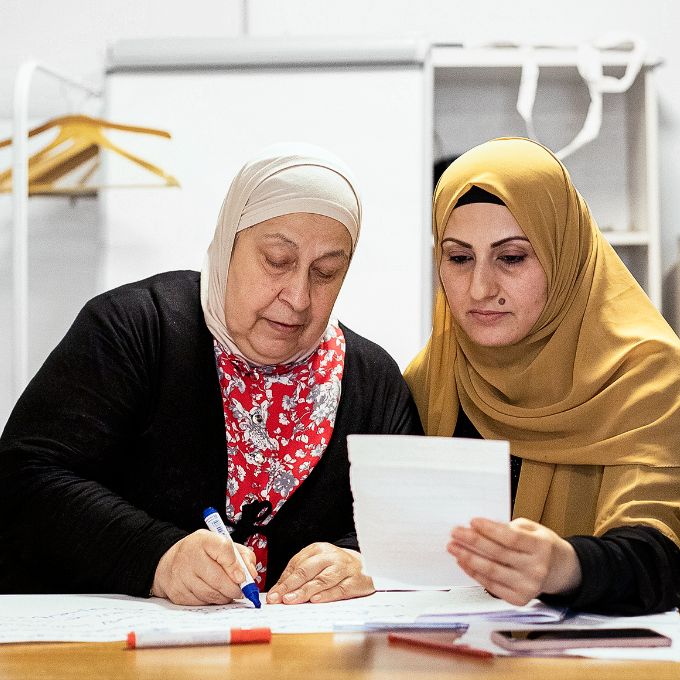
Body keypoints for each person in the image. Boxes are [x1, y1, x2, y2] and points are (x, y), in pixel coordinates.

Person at [0, 143, 422, 606]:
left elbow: (409, 528)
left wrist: (361, 560)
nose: (298, 297)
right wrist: (159, 557)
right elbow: (23, 479)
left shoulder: (372, 380)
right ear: (227, 245)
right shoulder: (137, 329)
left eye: (325, 273)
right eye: (277, 261)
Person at [405, 137, 680, 615]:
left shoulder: (645, 374)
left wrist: (565, 565)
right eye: (459, 258)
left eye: (511, 258)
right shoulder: (432, 376)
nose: (480, 288)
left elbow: (660, 555)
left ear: (563, 253)